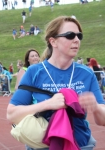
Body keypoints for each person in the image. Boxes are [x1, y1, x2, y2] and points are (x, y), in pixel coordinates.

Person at [7, 16, 105, 150]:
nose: (76, 40)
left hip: (81, 145)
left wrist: (95, 106)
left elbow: (102, 120)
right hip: (44, 146)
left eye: (79, 36)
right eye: (70, 35)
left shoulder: (86, 74)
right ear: (53, 41)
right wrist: (48, 104)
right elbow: (11, 115)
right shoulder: (34, 72)